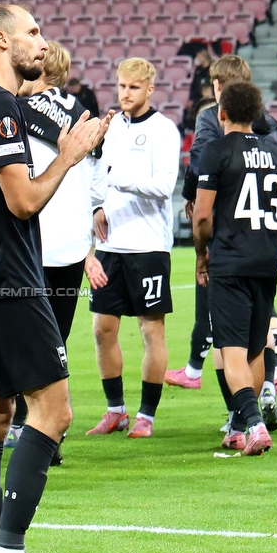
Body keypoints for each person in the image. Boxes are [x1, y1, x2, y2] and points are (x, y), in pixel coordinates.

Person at [0, 4, 108, 553]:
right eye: (32, 32)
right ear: (0, 39)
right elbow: (23, 202)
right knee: (55, 411)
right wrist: (70, 153)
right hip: (8, 280)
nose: (43, 41)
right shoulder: (0, 108)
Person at [167, 55, 277, 426]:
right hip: (264, 238)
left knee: (227, 338)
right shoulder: (272, 127)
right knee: (261, 323)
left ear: (220, 90)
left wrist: (200, 239)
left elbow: (202, 163)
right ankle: (269, 381)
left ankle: (240, 419)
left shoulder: (212, 119)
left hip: (227, 237)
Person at [6, 41, 107, 459]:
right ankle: (47, 430)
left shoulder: (19, 112)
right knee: (56, 339)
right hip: (71, 244)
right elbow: (97, 180)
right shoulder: (83, 114)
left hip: (34, 241)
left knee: (20, 337)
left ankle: (26, 424)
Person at [193, 81, 277, 455]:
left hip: (230, 260)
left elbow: (203, 215)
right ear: (256, 114)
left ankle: (253, 425)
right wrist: (274, 248)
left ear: (221, 112)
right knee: (256, 350)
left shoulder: (215, 152)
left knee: (233, 349)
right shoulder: (276, 154)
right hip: (265, 262)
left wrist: (202, 253)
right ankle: (240, 426)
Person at [85, 57, 180, 439]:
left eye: (134, 88)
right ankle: (115, 410)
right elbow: (96, 176)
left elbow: (164, 186)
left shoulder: (163, 130)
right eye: (122, 86)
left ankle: (147, 416)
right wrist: (97, 206)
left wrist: (119, 180)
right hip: (111, 245)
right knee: (102, 328)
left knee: (150, 331)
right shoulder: (110, 129)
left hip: (148, 246)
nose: (125, 93)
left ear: (150, 89)